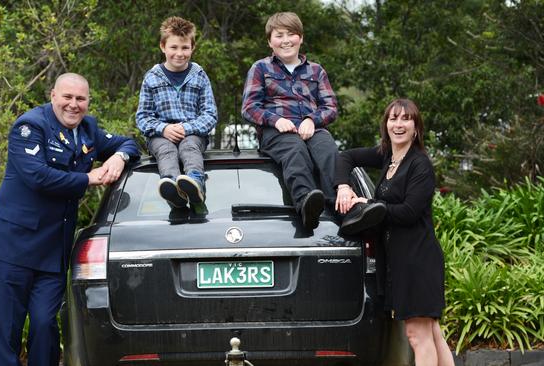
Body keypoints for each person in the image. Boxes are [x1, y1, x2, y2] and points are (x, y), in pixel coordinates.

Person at [0, 73, 140, 366]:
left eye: (80, 99)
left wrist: (119, 158)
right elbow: (37, 177)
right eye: (67, 97)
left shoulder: (88, 129)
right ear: (53, 95)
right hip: (10, 251)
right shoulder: (30, 126)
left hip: (53, 253)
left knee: (45, 326)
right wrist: (88, 178)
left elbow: (129, 144)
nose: (73, 105)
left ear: (88, 102)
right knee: (5, 338)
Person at [334, 99, 454, 366]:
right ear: (386, 124)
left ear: (416, 127)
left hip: (418, 260)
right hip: (400, 259)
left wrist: (371, 204)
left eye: (406, 119)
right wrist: (343, 186)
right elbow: (346, 157)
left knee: (417, 336)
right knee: (432, 334)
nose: (398, 125)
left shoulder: (419, 164)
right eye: (393, 118)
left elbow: (410, 212)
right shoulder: (388, 156)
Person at [240, 11, 340, 231]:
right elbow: (249, 108)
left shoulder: (316, 71)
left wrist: (312, 120)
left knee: (328, 149)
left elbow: (331, 107)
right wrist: (275, 120)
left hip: (312, 128)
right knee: (294, 150)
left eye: (291, 34)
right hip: (276, 132)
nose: (286, 40)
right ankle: (307, 204)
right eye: (279, 35)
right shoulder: (261, 68)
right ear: (270, 42)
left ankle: (342, 207)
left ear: (301, 38)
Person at [136, 16, 217, 209]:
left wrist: (185, 128)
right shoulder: (152, 78)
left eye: (185, 48)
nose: (179, 53)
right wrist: (164, 129)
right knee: (166, 150)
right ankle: (172, 187)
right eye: (174, 47)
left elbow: (210, 114)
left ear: (192, 48)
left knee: (189, 147)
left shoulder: (199, 76)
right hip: (160, 135)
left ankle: (196, 183)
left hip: (193, 135)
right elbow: (143, 117)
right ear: (163, 47)